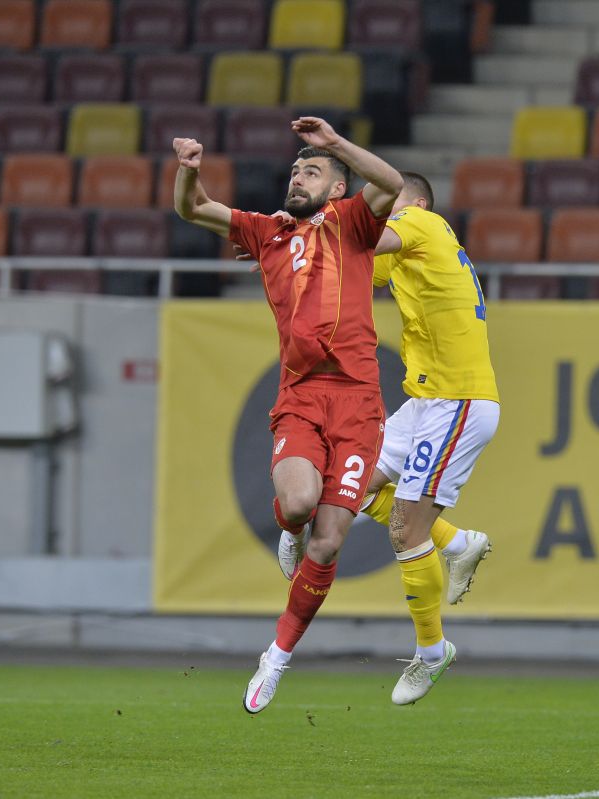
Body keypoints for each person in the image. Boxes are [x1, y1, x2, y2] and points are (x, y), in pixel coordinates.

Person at [172, 117, 402, 715]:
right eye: (296, 169)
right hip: (301, 396)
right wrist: (188, 169)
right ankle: (287, 526)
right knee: (299, 506)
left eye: (313, 171)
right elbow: (192, 210)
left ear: (334, 189)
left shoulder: (352, 224)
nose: (298, 177)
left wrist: (337, 145)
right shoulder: (267, 233)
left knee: (327, 546)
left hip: (358, 406)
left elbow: (392, 180)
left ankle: (275, 658)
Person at [278, 172, 500, 706]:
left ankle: (431, 651)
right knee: (348, 486)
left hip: (460, 401)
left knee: (404, 530)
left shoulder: (423, 222)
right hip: (424, 403)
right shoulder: (403, 252)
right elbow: (346, 264)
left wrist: (315, 222)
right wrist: (286, 246)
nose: (376, 211)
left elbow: (360, 236)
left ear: (416, 202)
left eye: (387, 203)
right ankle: (459, 543)